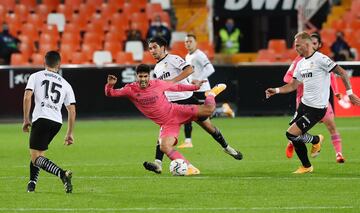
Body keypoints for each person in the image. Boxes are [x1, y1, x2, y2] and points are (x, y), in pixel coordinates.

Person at [143, 36, 242, 174]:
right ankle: (158, 164)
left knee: (209, 127)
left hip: (187, 100)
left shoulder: (173, 59)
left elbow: (189, 70)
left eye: (155, 47)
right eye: (150, 48)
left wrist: (173, 81)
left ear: (163, 46)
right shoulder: (157, 69)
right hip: (171, 106)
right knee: (163, 135)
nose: (152, 51)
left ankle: (227, 147)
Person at [105, 64, 227, 175]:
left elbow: (176, 87)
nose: (143, 79)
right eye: (140, 76)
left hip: (177, 111)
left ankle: (211, 94)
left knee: (209, 110)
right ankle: (190, 168)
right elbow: (110, 93)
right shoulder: (130, 89)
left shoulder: (157, 84)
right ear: (136, 76)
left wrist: (195, 87)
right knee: (164, 146)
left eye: (145, 76)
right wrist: (110, 84)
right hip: (168, 124)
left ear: (149, 76)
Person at [265, 31, 360, 174]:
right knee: (293, 136)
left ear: (307, 44)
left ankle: (313, 149)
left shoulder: (321, 59)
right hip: (304, 105)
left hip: (317, 108)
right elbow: (292, 85)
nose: (296, 48)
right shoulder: (301, 63)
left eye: (298, 45)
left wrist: (350, 93)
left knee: (291, 134)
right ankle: (309, 156)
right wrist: (276, 90)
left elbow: (343, 72)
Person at [284, 33, 346, 163]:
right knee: (294, 132)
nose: (311, 45)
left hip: (320, 103)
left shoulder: (321, 60)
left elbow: (333, 76)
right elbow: (287, 78)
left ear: (318, 45)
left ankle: (338, 154)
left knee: (331, 127)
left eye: (314, 43)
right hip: (302, 101)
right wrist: (300, 81)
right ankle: (300, 143)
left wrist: (336, 92)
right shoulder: (298, 61)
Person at [23, 51, 76, 192]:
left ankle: (62, 174)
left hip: (42, 119)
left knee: (35, 158)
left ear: (44, 63)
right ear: (59, 64)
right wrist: (69, 133)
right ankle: (32, 183)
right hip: (56, 122)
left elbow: (27, 97)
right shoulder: (66, 84)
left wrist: (26, 119)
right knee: (38, 153)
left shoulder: (35, 76)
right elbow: (72, 110)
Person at [177, 34, 235, 148]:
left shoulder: (199, 55)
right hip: (194, 89)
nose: (188, 43)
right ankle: (188, 141)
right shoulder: (188, 56)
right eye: (186, 42)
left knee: (203, 115)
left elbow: (210, 68)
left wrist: (199, 79)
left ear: (195, 42)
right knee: (190, 113)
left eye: (190, 41)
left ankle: (223, 109)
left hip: (202, 89)